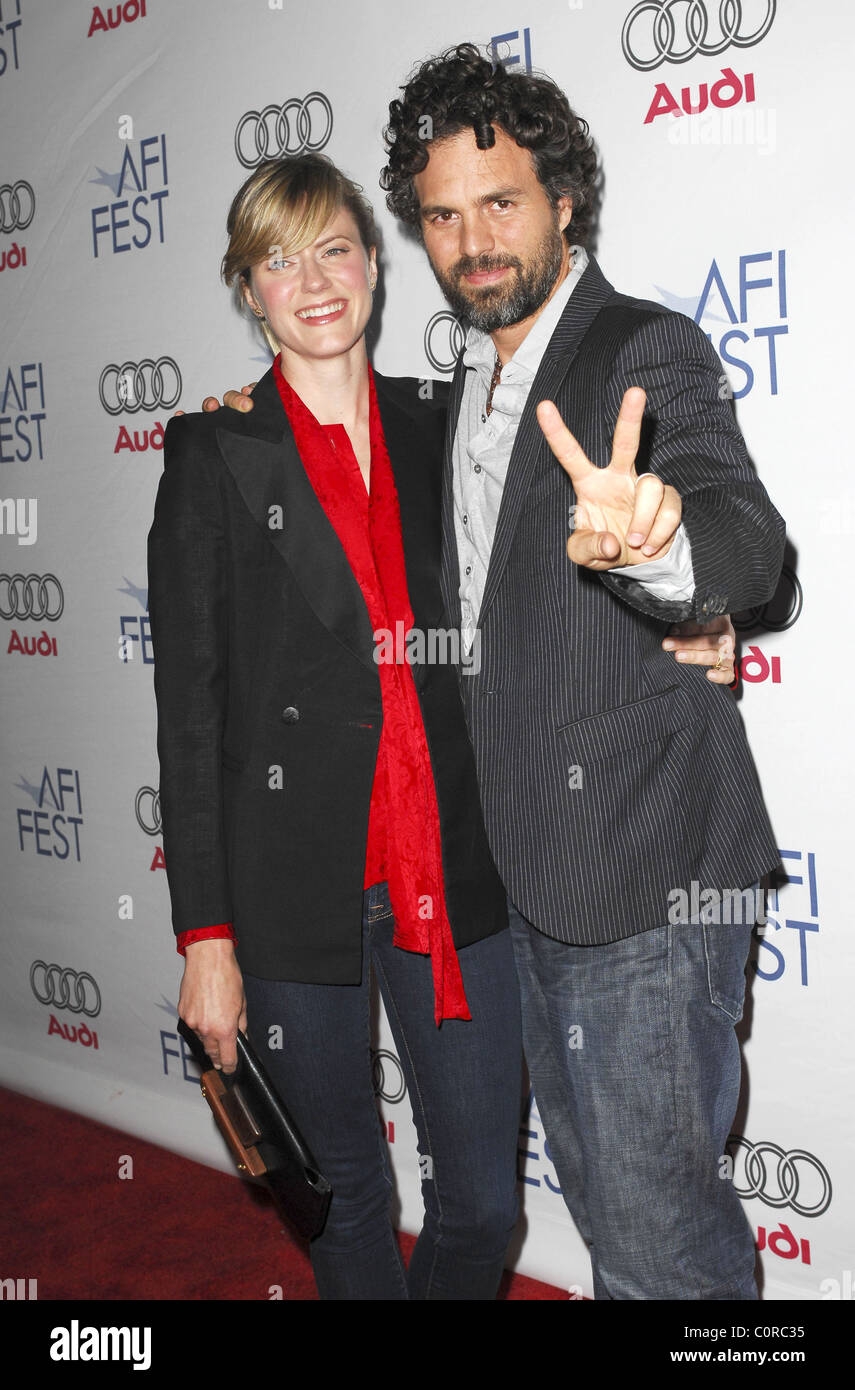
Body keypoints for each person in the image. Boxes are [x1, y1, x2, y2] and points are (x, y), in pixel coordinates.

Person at [212, 46, 783, 1300]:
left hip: (645, 879)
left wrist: (671, 546)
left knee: (662, 1245)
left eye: (502, 202)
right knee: (612, 1219)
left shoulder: (644, 349)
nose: (473, 240)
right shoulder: (451, 393)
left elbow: (750, 540)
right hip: (520, 892)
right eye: (442, 213)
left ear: (565, 200)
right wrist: (248, 427)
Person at [147, 154, 525, 1301]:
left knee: (487, 1205)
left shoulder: (442, 423)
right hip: (286, 890)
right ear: (247, 287)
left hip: (448, 873)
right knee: (346, 1194)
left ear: (374, 261)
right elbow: (190, 715)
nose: (312, 281)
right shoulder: (213, 454)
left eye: (333, 248)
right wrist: (204, 937)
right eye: (278, 259)